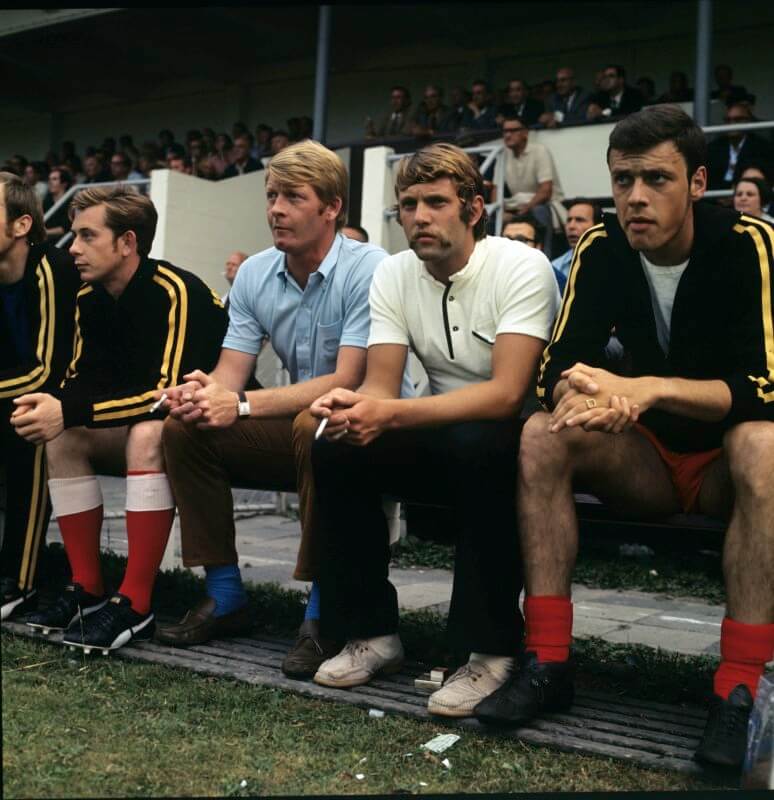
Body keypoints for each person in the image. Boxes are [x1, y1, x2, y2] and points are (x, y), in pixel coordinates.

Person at [473, 105, 774, 771]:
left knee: (764, 442)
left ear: (698, 183)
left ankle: (741, 690)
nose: (636, 198)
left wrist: (649, 388)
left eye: (657, 180)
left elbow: (765, 384)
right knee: (543, 433)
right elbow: (556, 368)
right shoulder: (601, 247)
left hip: (729, 461)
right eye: (623, 180)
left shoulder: (748, 241)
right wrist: (587, 397)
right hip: (646, 459)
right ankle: (548, 661)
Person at [308, 143, 559, 718]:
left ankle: (490, 651)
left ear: (474, 208)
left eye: (437, 203)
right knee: (336, 446)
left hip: (509, 435)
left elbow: (506, 395)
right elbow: (381, 385)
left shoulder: (521, 265)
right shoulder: (394, 271)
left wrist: (388, 412)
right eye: (409, 204)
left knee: (485, 446)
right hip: (439, 429)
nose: (419, 217)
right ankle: (371, 633)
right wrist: (352, 407)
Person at [154, 141, 405, 682]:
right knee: (184, 427)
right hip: (302, 425)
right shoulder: (255, 272)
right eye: (272, 195)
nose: (276, 209)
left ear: (332, 207)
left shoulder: (371, 268)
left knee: (315, 423)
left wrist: (239, 402)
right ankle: (224, 596)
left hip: (368, 428)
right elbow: (231, 370)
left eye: (293, 197)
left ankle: (322, 613)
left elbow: (348, 380)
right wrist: (201, 393)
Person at [11, 186, 227, 652]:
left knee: (148, 433)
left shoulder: (176, 290)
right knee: (63, 437)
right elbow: (82, 381)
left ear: (127, 242)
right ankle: (86, 588)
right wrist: (53, 408)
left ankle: (136, 602)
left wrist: (67, 408)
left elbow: (167, 397)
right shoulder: (89, 297)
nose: (73, 249)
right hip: (142, 419)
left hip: (210, 425)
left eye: (88, 236)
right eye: (74, 236)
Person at [0, 172, 81, 620]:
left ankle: (19, 578)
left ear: (21, 225)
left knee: (26, 422)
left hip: (68, 392)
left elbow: (46, 372)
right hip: (16, 390)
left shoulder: (50, 268)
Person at [501, 114, 566, 258]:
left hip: (544, 205)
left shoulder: (539, 150)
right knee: (491, 216)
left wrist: (525, 209)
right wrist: (501, 209)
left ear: (525, 132)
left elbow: (545, 191)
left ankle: (546, 259)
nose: (507, 135)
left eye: (513, 130)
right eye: (505, 131)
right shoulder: (503, 155)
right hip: (517, 207)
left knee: (539, 211)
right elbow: (495, 189)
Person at [707, 103, 773, 191]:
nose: (732, 124)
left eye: (737, 120)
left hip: (745, 195)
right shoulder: (714, 148)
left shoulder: (761, 147)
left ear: (748, 121)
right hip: (715, 199)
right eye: (728, 120)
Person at [550, 198, 603, 291]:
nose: (571, 226)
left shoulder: (612, 264)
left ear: (597, 226)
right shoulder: (554, 267)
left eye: (579, 220)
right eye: (569, 220)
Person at [42, 168, 74, 243]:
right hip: (47, 240)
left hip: (65, 242)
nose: (50, 182)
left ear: (64, 183)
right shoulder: (46, 201)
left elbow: (66, 228)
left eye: (54, 179)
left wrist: (44, 232)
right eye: (49, 179)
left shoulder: (71, 203)